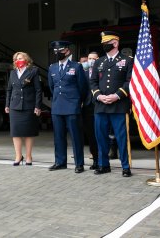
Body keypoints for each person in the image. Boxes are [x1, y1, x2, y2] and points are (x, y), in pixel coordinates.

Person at [90, 30, 134, 177]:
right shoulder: (99, 61)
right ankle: (103, 165)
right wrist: (99, 96)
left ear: (115, 43)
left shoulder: (127, 60)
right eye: (103, 44)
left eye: (107, 43)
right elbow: (93, 81)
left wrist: (117, 95)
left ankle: (125, 166)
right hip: (101, 105)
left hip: (118, 105)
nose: (104, 46)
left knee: (121, 137)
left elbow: (130, 81)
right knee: (101, 137)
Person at [47, 41, 89, 173]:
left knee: (76, 137)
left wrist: (77, 101)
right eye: (55, 51)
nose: (57, 53)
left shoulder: (76, 66)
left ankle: (79, 164)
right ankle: (60, 162)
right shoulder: (52, 67)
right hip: (57, 106)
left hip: (72, 106)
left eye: (60, 50)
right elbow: (51, 87)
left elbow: (83, 87)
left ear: (67, 51)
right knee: (58, 136)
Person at [5, 52, 42, 166]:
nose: (18, 60)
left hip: (28, 106)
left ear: (26, 59)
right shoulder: (12, 73)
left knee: (28, 132)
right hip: (15, 106)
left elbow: (38, 90)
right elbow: (9, 90)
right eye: (16, 59)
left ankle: (28, 156)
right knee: (15, 132)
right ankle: (18, 156)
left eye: (20, 58)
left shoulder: (33, 71)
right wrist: (7, 105)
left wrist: (37, 106)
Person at [80, 51, 99, 169]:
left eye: (94, 59)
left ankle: (103, 159)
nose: (91, 61)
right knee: (91, 136)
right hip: (87, 107)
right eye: (89, 59)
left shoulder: (102, 71)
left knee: (101, 135)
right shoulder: (83, 72)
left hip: (100, 105)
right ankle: (95, 160)